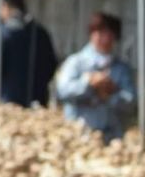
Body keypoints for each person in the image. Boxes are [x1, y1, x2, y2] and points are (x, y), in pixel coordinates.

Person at [55, 12, 135, 142]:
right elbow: (62, 91)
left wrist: (111, 93)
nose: (105, 39)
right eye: (101, 33)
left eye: (110, 34)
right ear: (92, 34)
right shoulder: (76, 62)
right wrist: (88, 83)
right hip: (78, 134)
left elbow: (131, 100)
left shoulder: (121, 68)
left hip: (111, 136)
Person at [0, 0, 58, 107]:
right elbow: (51, 64)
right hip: (38, 101)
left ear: (6, 7)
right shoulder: (40, 32)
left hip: (8, 100)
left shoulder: (4, 34)